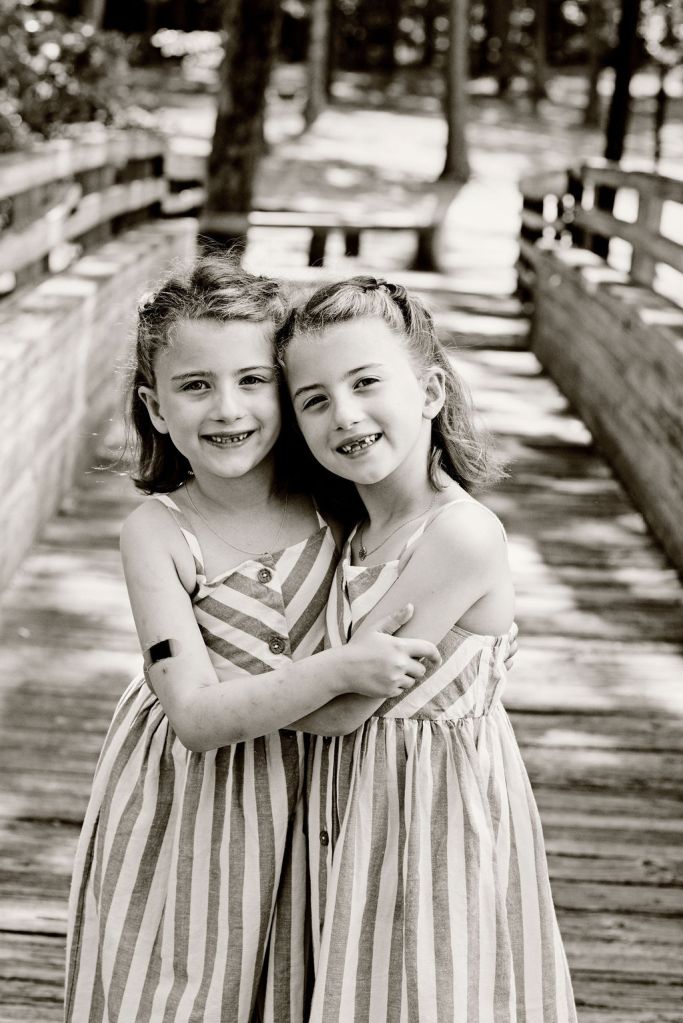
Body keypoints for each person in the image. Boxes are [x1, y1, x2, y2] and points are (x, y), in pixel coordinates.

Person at [64, 257, 442, 1023]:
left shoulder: (335, 502)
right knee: (191, 983)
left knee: (302, 980)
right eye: (195, 385)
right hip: (195, 805)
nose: (226, 407)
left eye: (253, 380)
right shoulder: (158, 533)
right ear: (155, 407)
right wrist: (339, 668)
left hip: (324, 796)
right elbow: (195, 717)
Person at [278, 276, 577, 1023]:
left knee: (428, 985)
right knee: (357, 979)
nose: (343, 413)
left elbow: (345, 707)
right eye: (313, 399)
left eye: (365, 382)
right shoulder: (347, 530)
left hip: (431, 810)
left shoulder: (457, 533)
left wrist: (218, 699)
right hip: (352, 804)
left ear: (430, 391)